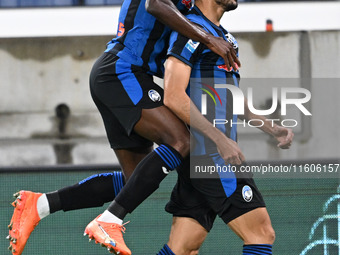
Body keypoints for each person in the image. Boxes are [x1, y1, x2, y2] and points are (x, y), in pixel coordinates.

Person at [7, 0, 241, 254]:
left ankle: (40, 204)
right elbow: (153, 5)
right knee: (182, 141)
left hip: (119, 75)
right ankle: (110, 220)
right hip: (122, 72)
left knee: (135, 179)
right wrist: (208, 39)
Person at [157, 0, 294, 254]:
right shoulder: (191, 30)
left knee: (182, 249)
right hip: (212, 155)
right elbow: (173, 96)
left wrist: (271, 128)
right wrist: (220, 140)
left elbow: (229, 98)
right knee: (261, 234)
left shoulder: (225, 38)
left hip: (207, 156)